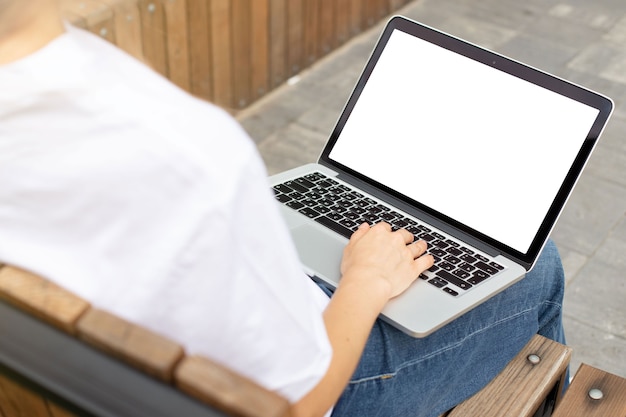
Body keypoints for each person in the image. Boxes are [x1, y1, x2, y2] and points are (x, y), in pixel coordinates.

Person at [0, 1, 567, 416]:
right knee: (539, 269)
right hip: (294, 384)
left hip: (101, 375)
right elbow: (295, 404)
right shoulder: (186, 153)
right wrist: (366, 280)